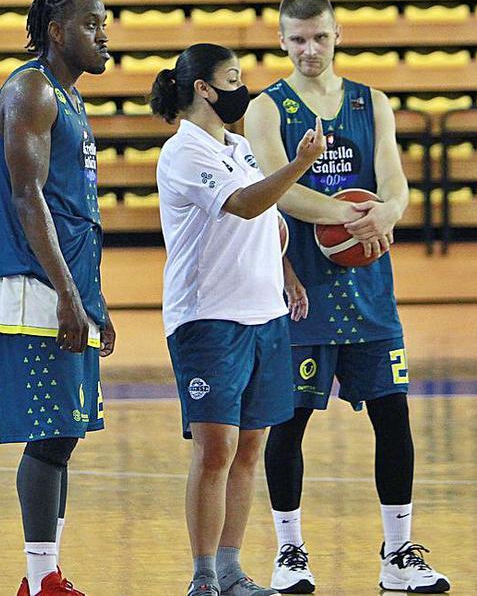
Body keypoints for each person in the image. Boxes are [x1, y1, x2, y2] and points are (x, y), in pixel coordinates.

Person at [245, 0, 451, 594]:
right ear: (282, 42)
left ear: (338, 36)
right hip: (299, 291)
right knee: (291, 423)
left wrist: (387, 213)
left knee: (394, 418)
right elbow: (279, 190)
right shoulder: (266, 109)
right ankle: (290, 552)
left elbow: (395, 179)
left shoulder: (372, 103)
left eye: (320, 37)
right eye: (298, 39)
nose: (310, 50)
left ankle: (398, 553)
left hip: (370, 294)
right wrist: (351, 214)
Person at [151, 43, 321, 596]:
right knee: (216, 447)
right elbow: (244, 205)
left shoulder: (241, 147)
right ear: (203, 88)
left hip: (265, 315)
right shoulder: (184, 152)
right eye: (232, 78)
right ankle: (202, 576)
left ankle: (231, 569)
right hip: (208, 319)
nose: (240, 87)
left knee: (251, 448)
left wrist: (288, 274)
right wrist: (298, 165)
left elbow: (265, 224)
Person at [0, 0, 115, 596]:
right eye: (90, 24)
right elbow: (28, 198)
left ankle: (46, 574)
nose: (103, 34)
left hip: (67, 284)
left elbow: (72, 208)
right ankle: (37, 579)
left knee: (65, 435)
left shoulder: (69, 97)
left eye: (105, 22)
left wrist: (93, 299)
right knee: (50, 437)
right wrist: (66, 293)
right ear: (56, 31)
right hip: (36, 284)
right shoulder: (32, 89)